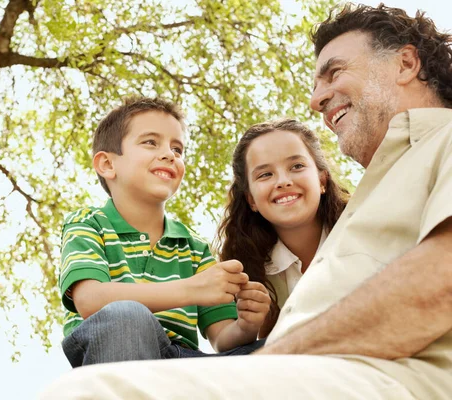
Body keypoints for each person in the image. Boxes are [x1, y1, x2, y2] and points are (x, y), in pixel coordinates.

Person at [40, 4, 452, 399]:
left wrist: (265, 360)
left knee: (89, 393)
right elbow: (94, 301)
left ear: (406, 64)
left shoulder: (442, 141)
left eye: (335, 72)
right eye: (264, 175)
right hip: (297, 372)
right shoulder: (380, 190)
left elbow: (440, 283)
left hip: (346, 377)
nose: (316, 100)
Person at [59, 96, 269, 368]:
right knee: (126, 317)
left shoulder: (193, 247)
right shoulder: (89, 223)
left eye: (178, 149)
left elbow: (223, 339)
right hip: (115, 350)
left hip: (184, 363)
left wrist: (247, 324)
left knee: (286, 348)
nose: (170, 154)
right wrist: (191, 289)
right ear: (108, 165)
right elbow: (90, 300)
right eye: (150, 142)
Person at [215, 119, 348, 337]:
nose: (283, 181)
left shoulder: (363, 230)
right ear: (251, 200)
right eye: (265, 174)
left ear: (322, 180)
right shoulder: (250, 269)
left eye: (296, 166)